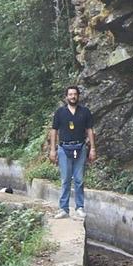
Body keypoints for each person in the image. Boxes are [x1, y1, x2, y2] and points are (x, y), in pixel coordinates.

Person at [49, 85, 96, 219]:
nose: (72, 96)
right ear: (66, 97)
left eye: (75, 94)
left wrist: (92, 148)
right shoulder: (60, 112)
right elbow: (54, 131)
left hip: (80, 148)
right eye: (70, 94)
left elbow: (90, 130)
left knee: (79, 179)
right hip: (64, 148)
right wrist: (53, 150)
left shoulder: (85, 112)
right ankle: (64, 209)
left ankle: (80, 207)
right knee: (65, 180)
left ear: (78, 96)